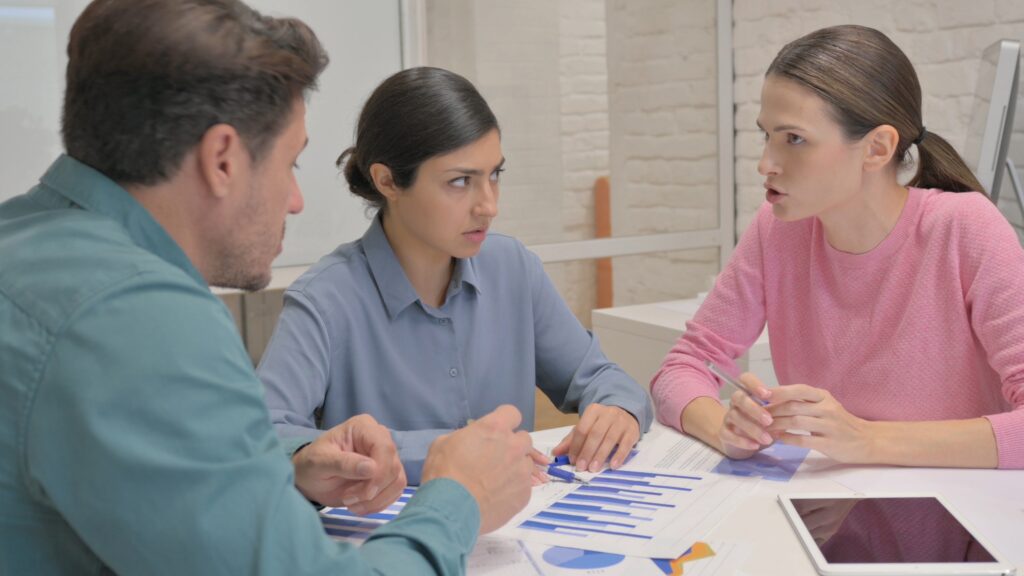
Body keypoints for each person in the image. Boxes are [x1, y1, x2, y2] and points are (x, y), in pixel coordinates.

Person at [0, 1, 537, 574]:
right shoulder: (139, 319)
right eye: (292, 164)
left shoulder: (23, 239)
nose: (297, 201)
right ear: (223, 160)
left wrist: (294, 459)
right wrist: (459, 498)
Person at [651, 25, 1024, 469]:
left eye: (794, 139)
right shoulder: (776, 231)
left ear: (877, 148)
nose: (765, 164)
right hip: (822, 521)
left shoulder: (964, 228)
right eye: (766, 136)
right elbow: (683, 366)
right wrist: (726, 429)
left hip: (948, 525)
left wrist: (865, 440)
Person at [256, 66, 653, 483]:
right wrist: (435, 454)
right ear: (387, 180)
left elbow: (600, 377)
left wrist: (618, 409)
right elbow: (266, 438)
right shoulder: (324, 299)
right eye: (460, 181)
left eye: (494, 175)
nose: (488, 206)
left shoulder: (513, 268)